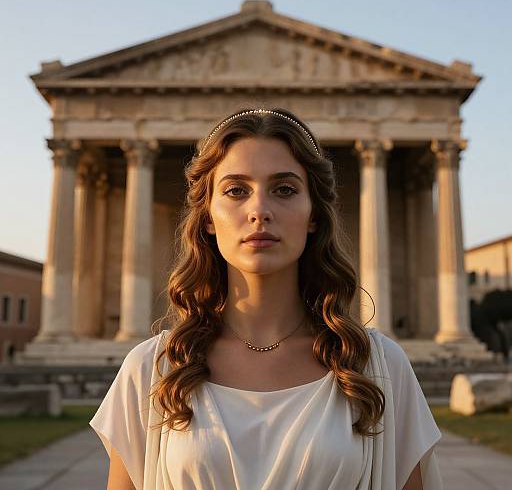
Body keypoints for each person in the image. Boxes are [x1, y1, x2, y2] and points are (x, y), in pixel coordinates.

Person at [90, 107, 444, 490]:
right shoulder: (151, 369)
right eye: (236, 191)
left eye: (285, 190)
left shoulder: (378, 367)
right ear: (208, 216)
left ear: (313, 216)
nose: (259, 210)